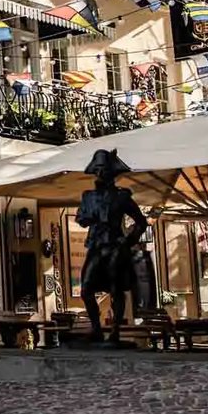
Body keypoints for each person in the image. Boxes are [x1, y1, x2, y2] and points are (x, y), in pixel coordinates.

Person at [75, 148, 148, 345]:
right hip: (96, 245)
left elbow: (141, 222)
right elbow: (80, 218)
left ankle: (115, 331)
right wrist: (88, 217)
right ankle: (97, 329)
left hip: (115, 245)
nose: (100, 173)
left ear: (112, 172)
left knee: (116, 289)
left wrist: (129, 240)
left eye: (104, 169)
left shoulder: (122, 196)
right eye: (97, 169)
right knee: (86, 288)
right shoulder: (88, 197)